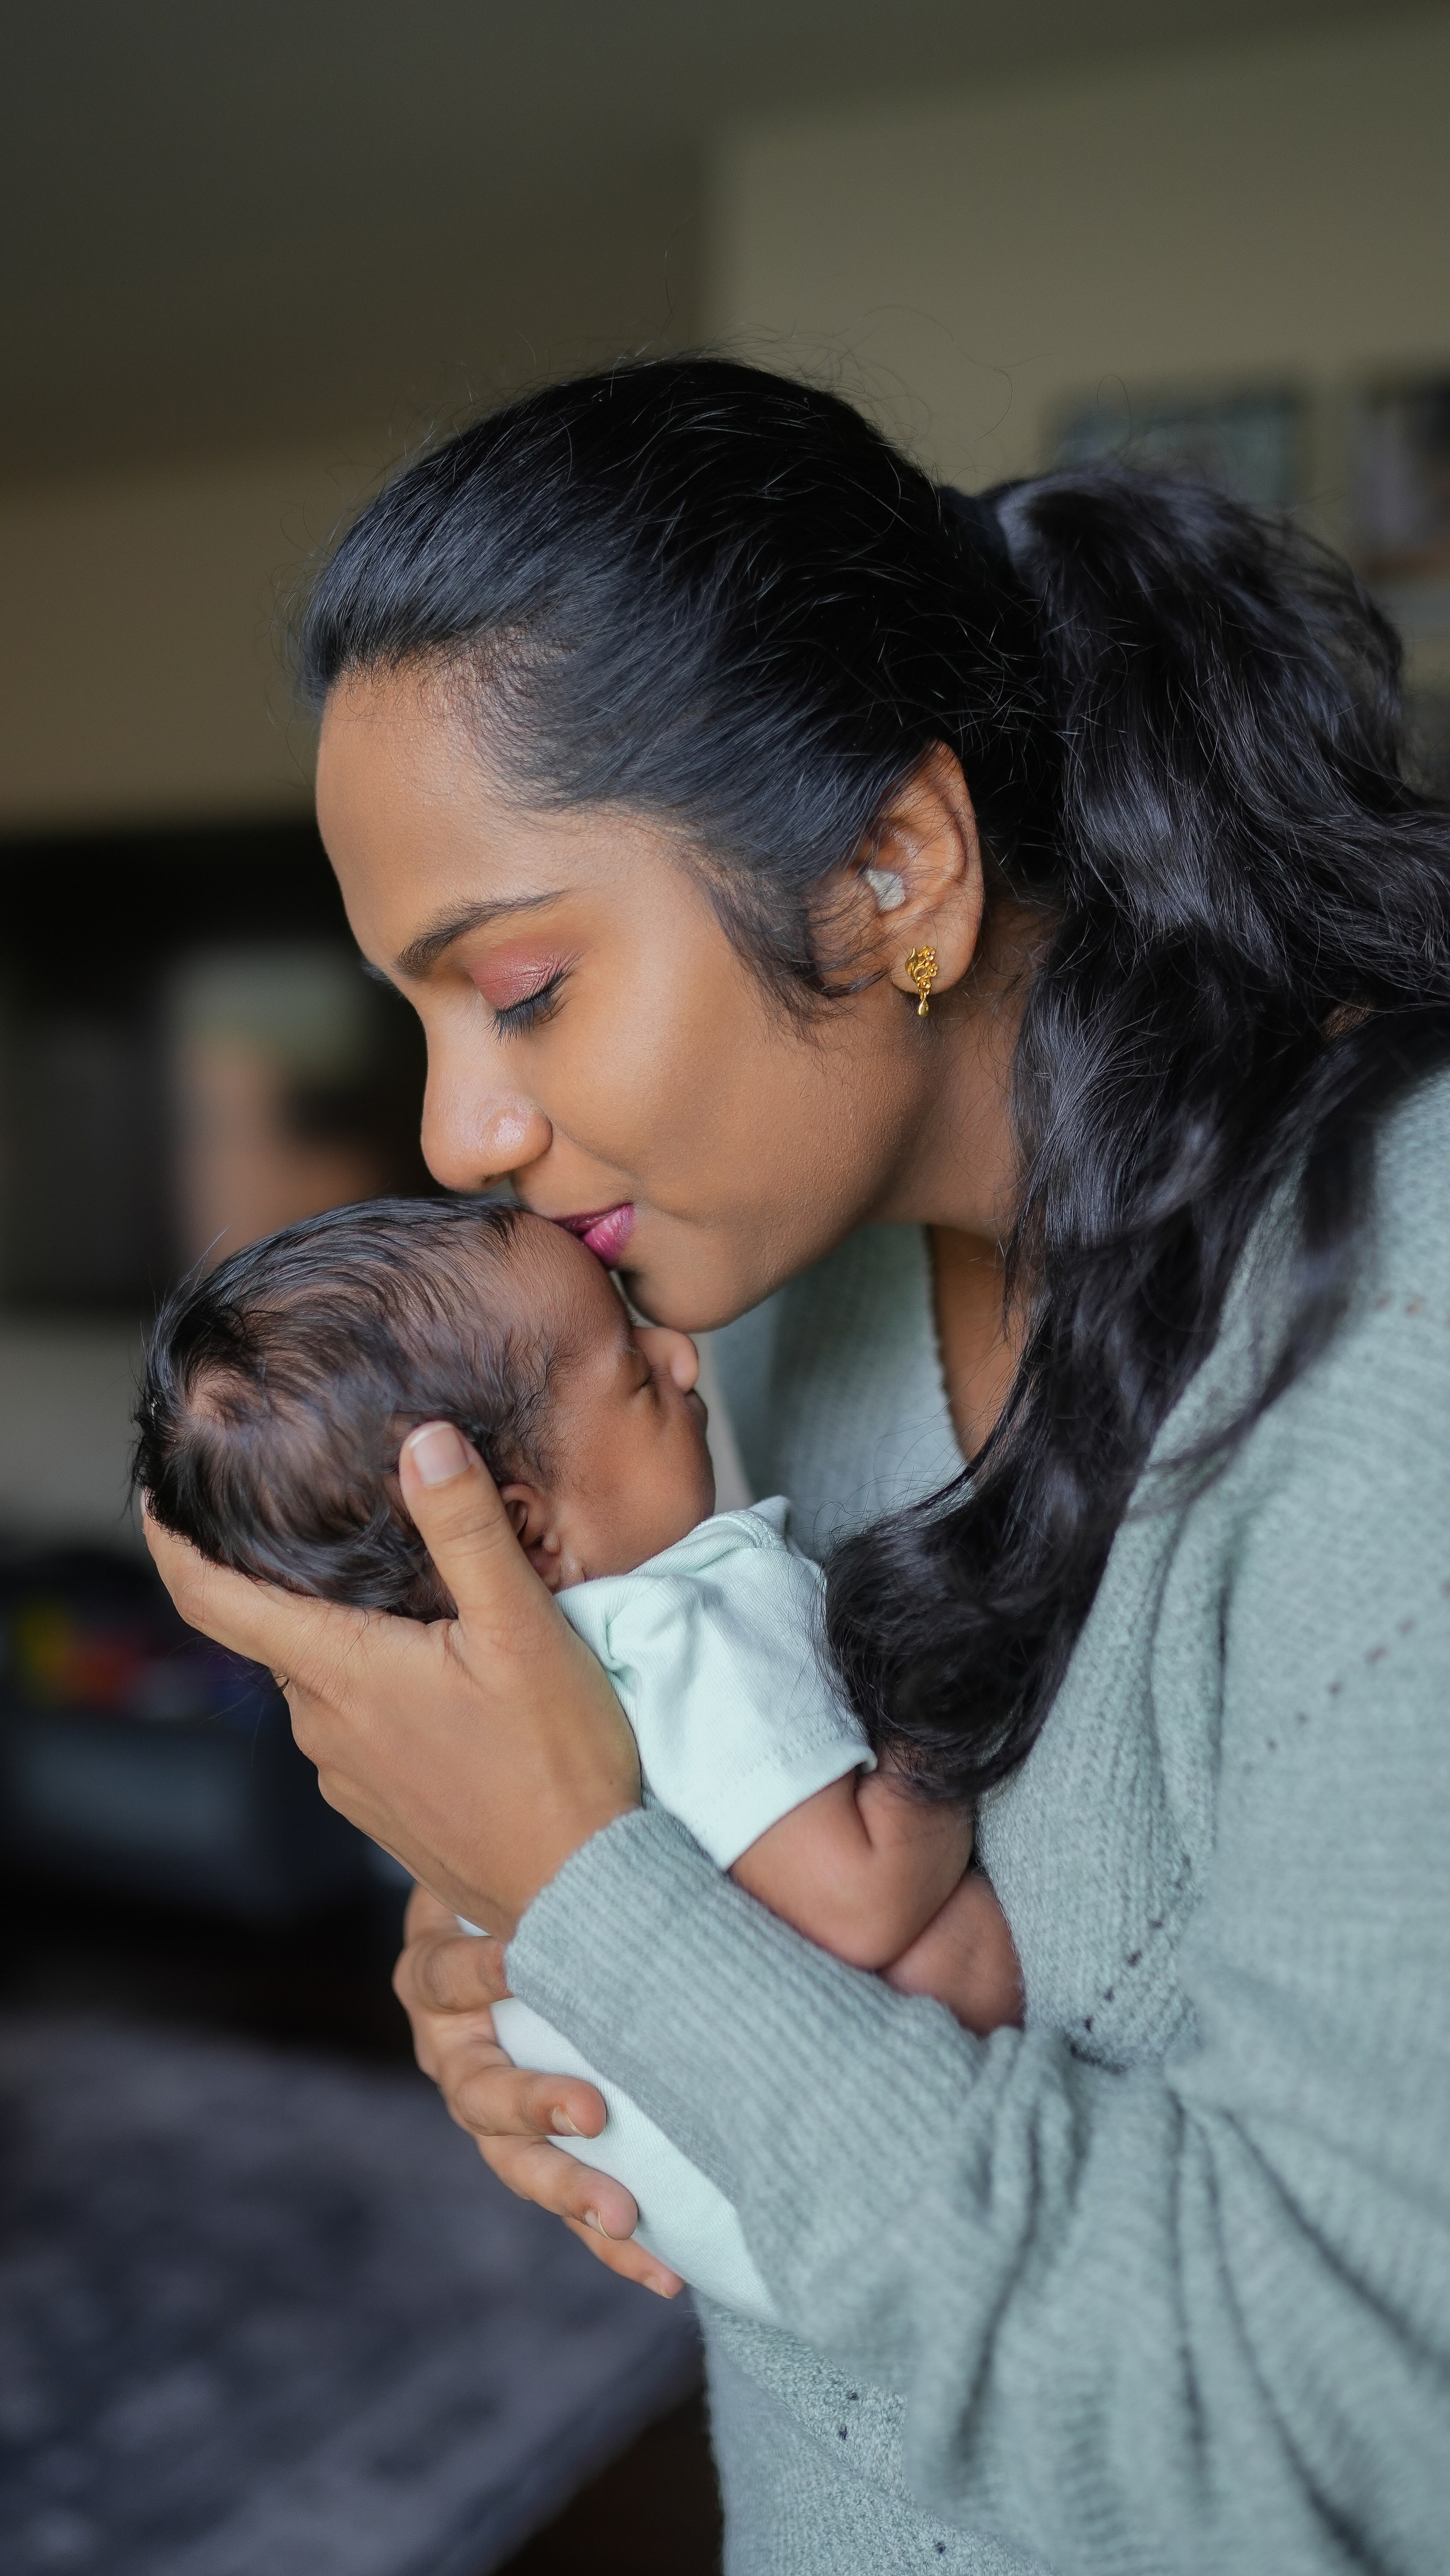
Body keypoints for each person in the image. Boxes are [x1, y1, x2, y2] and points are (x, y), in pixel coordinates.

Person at [145, 358, 1450, 2573]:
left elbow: (1332, 2437)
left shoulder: (1395, 1312)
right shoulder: (789, 1297)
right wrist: (517, 1976)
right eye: (423, 1018)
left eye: (525, 987)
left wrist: (603, 1907)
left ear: (888, 868)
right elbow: (720, 1879)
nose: (456, 1130)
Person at [133, 1192, 1020, 2314]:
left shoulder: (452, 1729)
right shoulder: (676, 1626)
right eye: (639, 1375)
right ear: (527, 1530)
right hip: (864, 2192)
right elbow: (860, 1904)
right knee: (970, 1953)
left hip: (694, 2221)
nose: (682, 1360)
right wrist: (942, 1708)